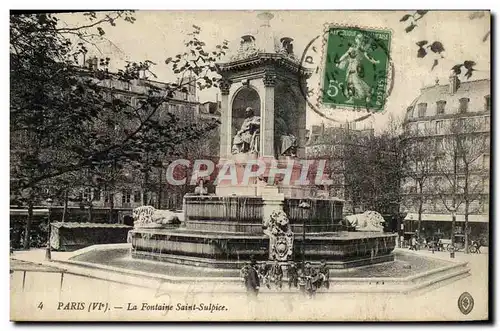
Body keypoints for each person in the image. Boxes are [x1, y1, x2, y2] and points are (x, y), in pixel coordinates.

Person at [336, 33, 379, 104]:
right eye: (357, 39)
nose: (358, 40)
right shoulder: (351, 48)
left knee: (356, 82)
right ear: (356, 39)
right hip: (350, 67)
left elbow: (368, 56)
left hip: (356, 68)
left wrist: (374, 61)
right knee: (350, 82)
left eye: (360, 39)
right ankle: (352, 98)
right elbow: (345, 55)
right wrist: (339, 61)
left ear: (362, 41)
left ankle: (368, 94)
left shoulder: (362, 50)